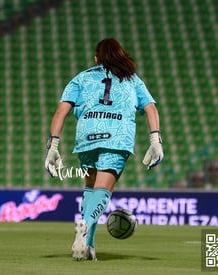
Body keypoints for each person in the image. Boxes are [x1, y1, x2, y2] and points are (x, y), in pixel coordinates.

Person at [44, 38, 164, 260]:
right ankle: (86, 226)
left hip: (87, 136)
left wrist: (53, 146)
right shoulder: (132, 80)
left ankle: (87, 245)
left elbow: (61, 112)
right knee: (103, 190)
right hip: (116, 137)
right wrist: (155, 140)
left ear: (96, 59)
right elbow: (151, 109)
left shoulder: (81, 78)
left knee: (90, 187)